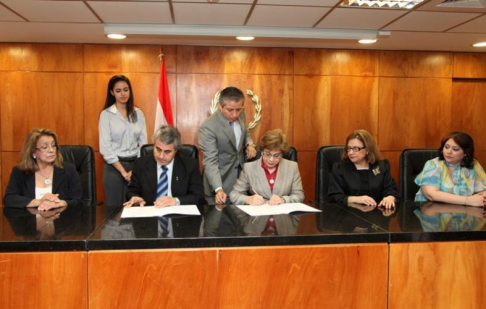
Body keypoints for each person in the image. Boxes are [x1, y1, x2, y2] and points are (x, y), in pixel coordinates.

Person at [199, 86, 257, 205]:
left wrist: (249, 143)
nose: (235, 114)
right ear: (220, 106)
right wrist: (218, 189)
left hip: (240, 181)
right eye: (230, 110)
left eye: (238, 110)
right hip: (220, 182)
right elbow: (210, 162)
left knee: (240, 221)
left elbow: (245, 132)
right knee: (218, 221)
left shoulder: (241, 114)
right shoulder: (208, 127)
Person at [124, 125, 204, 208]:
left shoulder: (190, 165)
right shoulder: (141, 164)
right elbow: (132, 191)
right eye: (158, 149)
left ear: (176, 150)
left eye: (167, 152)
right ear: (154, 145)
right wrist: (135, 197)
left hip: (178, 215)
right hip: (150, 214)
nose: (161, 156)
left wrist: (175, 200)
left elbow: (199, 197)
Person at [3, 128, 82, 210]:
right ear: (33, 151)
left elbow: (79, 201)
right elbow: (9, 199)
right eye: (45, 147)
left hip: (61, 221)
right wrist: (40, 201)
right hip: (29, 221)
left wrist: (62, 203)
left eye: (53, 145)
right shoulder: (20, 171)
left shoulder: (69, 169)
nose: (51, 150)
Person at [99, 75, 147, 207]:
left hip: (136, 166)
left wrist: (135, 170)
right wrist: (124, 172)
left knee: (136, 206)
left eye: (126, 89)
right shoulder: (106, 115)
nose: (123, 94)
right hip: (113, 167)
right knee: (113, 209)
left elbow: (143, 145)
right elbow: (105, 147)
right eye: (118, 91)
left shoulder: (138, 113)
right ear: (112, 92)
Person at [229, 129, 304, 205]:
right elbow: (234, 195)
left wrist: (283, 200)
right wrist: (248, 199)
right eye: (267, 154)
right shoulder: (249, 168)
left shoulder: (292, 167)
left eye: (276, 155)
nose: (271, 159)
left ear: (282, 153)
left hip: (283, 215)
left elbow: (299, 196)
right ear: (262, 151)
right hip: (258, 214)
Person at [328, 129, 399, 208]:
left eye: (356, 149)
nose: (350, 152)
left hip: (377, 216)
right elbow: (333, 197)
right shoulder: (340, 168)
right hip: (349, 216)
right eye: (349, 148)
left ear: (368, 149)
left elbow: (391, 189)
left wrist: (390, 197)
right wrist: (356, 199)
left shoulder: (381, 166)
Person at [415, 131, 486, 206]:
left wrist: (483, 197)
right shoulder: (433, 164)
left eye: (455, 149)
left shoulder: (473, 164)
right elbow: (431, 195)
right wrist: (467, 200)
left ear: (466, 153)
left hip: (464, 213)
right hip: (432, 212)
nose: (449, 152)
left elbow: (483, 190)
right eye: (446, 147)